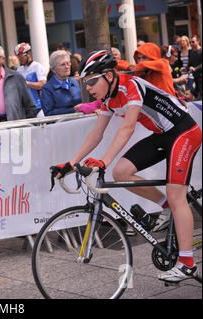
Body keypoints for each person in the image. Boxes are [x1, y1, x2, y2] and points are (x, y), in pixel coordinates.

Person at [53, 50, 202, 283]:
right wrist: (72, 163)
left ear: (110, 75)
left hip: (184, 132)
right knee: (121, 172)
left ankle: (187, 263)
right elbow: (97, 133)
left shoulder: (131, 85)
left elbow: (128, 128)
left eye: (92, 81)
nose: (89, 87)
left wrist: (103, 160)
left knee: (177, 196)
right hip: (162, 134)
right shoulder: (108, 99)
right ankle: (166, 208)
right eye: (85, 82)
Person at [40, 50, 81, 116]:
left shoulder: (74, 82)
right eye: (62, 64)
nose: (67, 67)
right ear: (53, 69)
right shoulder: (47, 89)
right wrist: (73, 110)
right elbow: (48, 113)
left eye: (68, 63)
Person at [14, 42, 47, 114]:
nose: (20, 59)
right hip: (25, 107)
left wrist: (26, 83)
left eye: (21, 57)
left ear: (28, 53)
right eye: (18, 57)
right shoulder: (19, 70)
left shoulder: (37, 66)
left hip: (38, 106)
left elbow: (43, 85)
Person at [189, 35, 202, 99]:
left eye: (193, 42)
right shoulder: (192, 52)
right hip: (195, 77)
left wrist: (196, 68)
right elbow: (190, 63)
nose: (191, 44)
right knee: (195, 93)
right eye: (190, 42)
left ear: (198, 41)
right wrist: (185, 69)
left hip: (201, 77)